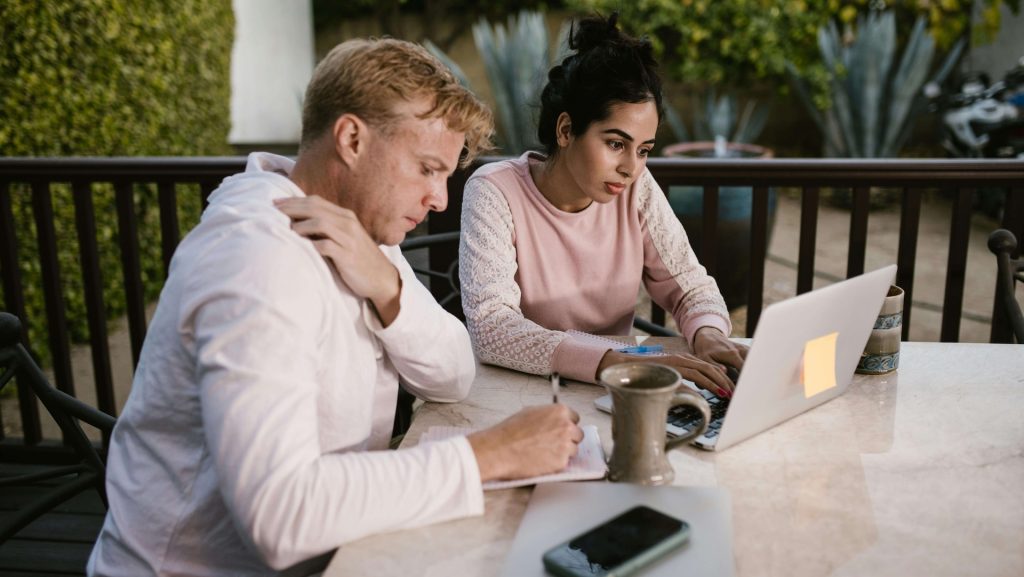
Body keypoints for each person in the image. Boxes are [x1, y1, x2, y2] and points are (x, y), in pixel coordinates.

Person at [88, 38, 583, 577]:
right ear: (351, 139)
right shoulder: (257, 261)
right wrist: (491, 456)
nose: (441, 198)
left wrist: (388, 287)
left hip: (333, 553)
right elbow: (280, 517)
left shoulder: (358, 227)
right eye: (426, 168)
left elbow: (454, 375)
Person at [459, 14, 748, 397]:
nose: (630, 167)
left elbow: (691, 286)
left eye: (643, 150)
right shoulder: (494, 191)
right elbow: (493, 329)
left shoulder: (634, 187)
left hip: (617, 393)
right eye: (615, 143)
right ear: (566, 130)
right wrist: (620, 360)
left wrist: (707, 331)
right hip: (522, 395)